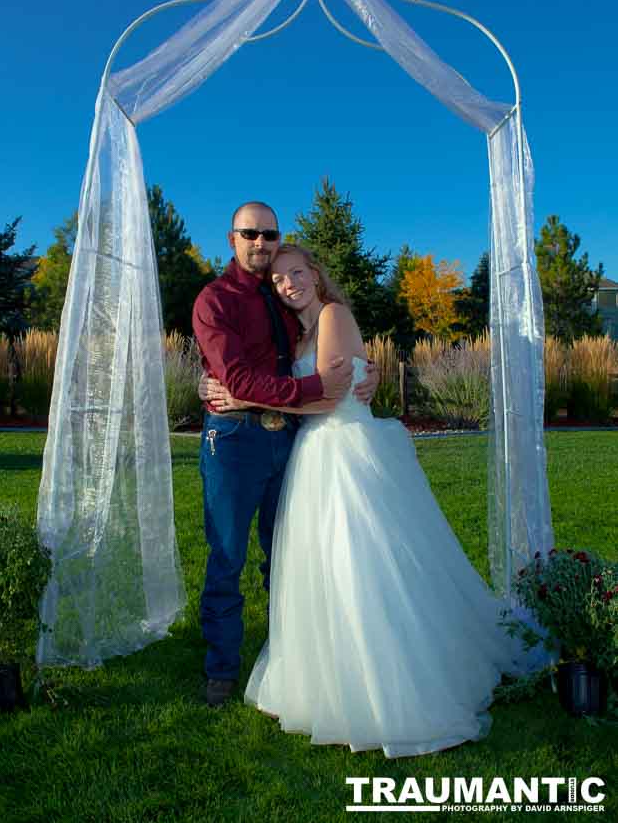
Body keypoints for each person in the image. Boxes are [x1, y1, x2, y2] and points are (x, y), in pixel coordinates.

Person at [203, 243, 529, 757]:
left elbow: (330, 396)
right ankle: (330, 672)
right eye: (280, 280)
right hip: (311, 453)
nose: (289, 284)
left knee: (362, 565)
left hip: (344, 452)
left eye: (297, 273)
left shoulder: (333, 314)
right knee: (323, 568)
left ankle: (390, 682)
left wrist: (241, 397)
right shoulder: (300, 331)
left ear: (316, 272)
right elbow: (319, 382)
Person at [192, 204, 379, 707]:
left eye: (269, 233)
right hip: (234, 440)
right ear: (232, 238)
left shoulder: (282, 297)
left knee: (289, 554)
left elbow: (329, 335)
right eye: (250, 233)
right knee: (228, 555)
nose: (260, 241)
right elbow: (238, 382)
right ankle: (223, 669)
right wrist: (321, 386)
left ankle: (291, 654)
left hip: (292, 438)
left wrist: (366, 370)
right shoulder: (215, 301)